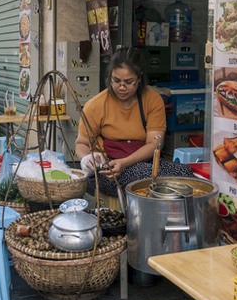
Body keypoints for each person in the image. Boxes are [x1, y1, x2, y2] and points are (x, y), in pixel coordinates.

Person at [75, 46, 193, 196]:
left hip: (143, 164)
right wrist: (87, 158)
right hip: (109, 171)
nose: (122, 87)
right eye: (116, 81)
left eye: (129, 82)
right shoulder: (96, 105)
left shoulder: (152, 100)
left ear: (139, 78)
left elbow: (154, 144)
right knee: (142, 174)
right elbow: (82, 143)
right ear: (109, 77)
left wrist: (125, 162)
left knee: (185, 172)